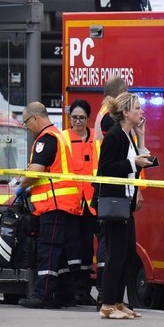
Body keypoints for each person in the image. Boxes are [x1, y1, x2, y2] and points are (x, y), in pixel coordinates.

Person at [17, 102, 83, 309]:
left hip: (54, 205)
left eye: (26, 122)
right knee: (61, 255)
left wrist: (21, 185)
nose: (26, 126)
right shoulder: (59, 136)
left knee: (49, 250)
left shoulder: (45, 139)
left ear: (35, 118)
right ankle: (64, 295)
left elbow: (36, 171)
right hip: (66, 205)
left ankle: (42, 296)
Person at [96, 92, 152, 320]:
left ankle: (118, 302)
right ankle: (107, 304)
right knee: (116, 254)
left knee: (127, 253)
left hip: (126, 202)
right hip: (114, 203)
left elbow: (141, 162)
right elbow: (105, 168)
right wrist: (132, 162)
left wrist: (142, 136)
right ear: (126, 112)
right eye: (137, 108)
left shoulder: (129, 136)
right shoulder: (114, 136)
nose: (141, 112)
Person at [63, 99, 99, 306]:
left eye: (82, 118)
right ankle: (74, 289)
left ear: (88, 118)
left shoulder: (97, 137)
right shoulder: (63, 138)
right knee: (73, 248)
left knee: (88, 248)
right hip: (71, 201)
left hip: (91, 202)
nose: (78, 122)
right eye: (74, 117)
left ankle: (84, 290)